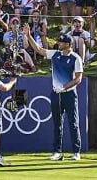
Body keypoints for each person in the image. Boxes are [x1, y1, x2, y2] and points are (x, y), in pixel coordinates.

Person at [24, 30, 83, 161]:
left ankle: (76, 152)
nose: (59, 43)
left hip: (69, 94)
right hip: (56, 94)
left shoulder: (75, 58)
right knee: (57, 124)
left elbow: (78, 78)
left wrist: (65, 86)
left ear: (68, 44)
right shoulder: (55, 54)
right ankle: (57, 151)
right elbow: (39, 50)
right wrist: (28, 37)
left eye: (61, 42)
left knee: (73, 123)